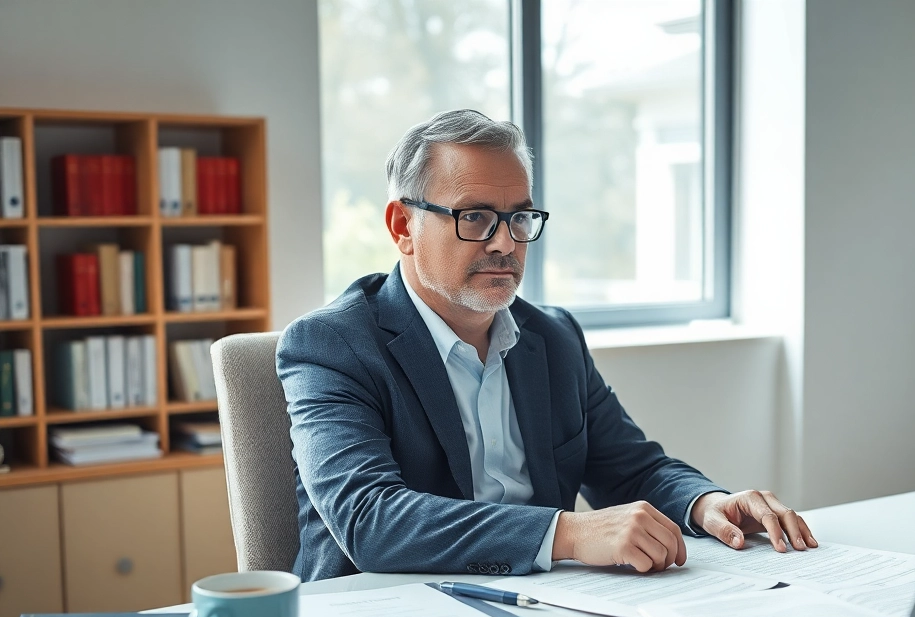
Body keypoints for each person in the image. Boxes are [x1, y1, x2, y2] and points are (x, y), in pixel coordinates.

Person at [278, 109, 816, 582]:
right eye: (476, 217)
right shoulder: (332, 344)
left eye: (518, 219)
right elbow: (371, 520)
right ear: (403, 226)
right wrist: (570, 533)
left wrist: (707, 505)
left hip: (543, 610)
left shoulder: (552, 337)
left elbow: (631, 470)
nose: (505, 243)